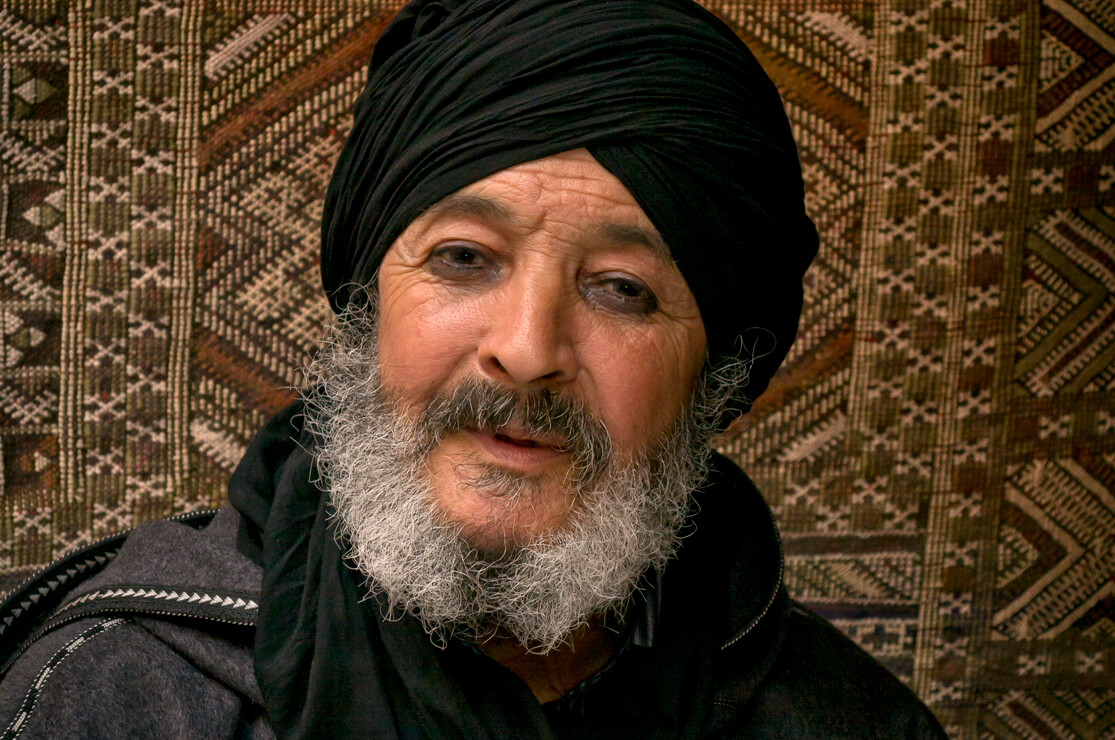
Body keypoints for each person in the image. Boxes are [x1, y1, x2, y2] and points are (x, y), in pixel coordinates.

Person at [0, 0, 948, 736]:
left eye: (621, 289)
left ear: (715, 374)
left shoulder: (849, 721)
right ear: (373, 303)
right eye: (463, 258)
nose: (528, 350)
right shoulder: (120, 692)